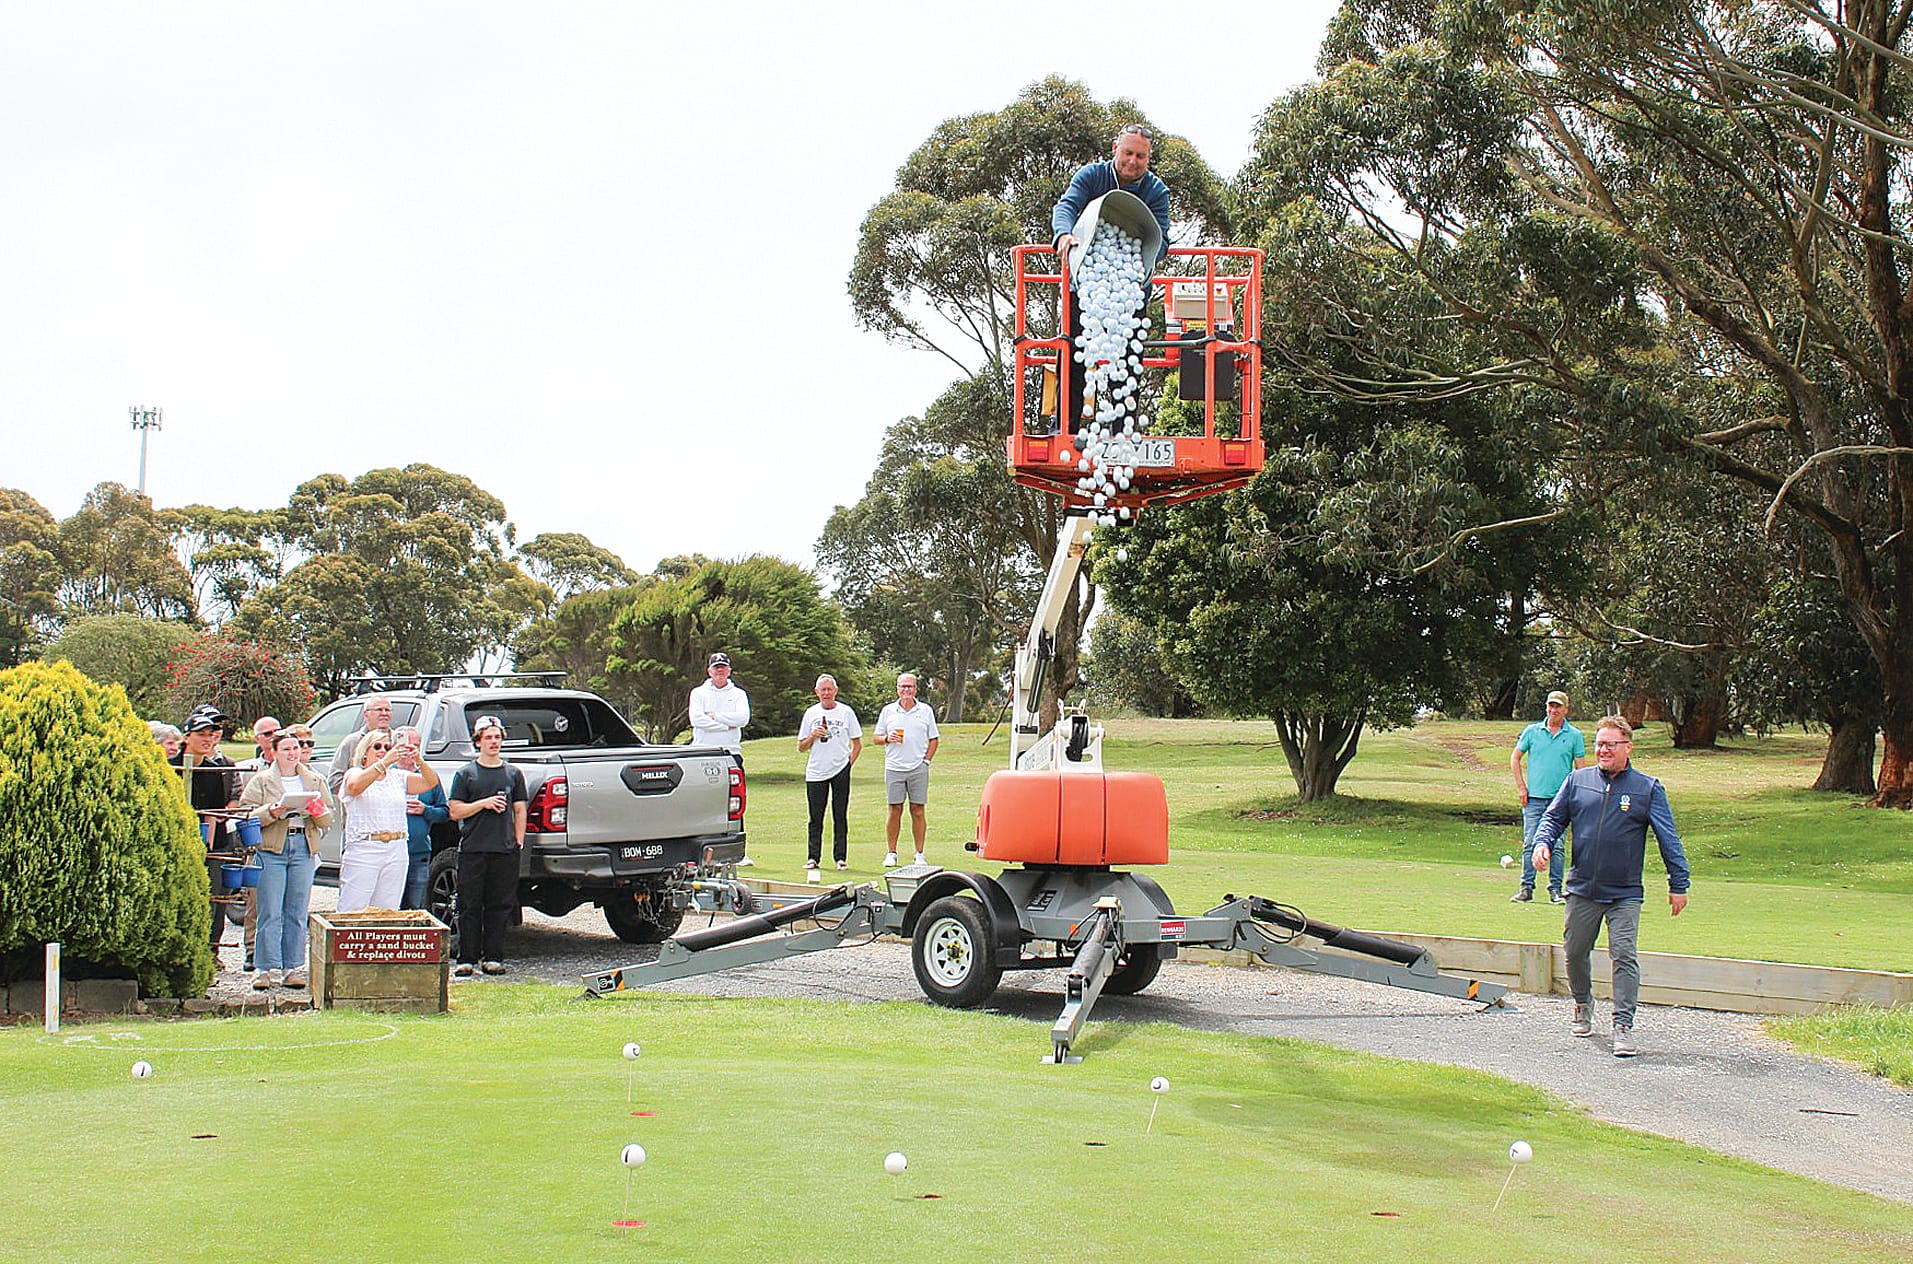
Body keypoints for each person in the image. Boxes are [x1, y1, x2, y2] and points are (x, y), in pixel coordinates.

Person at [1532, 715, 1691, 1058]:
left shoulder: (1647, 788)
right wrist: (1542, 842)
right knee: (1574, 953)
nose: (1602, 750)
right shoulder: (1577, 781)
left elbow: (1669, 839)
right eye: (1599, 744)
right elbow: (1553, 818)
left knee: (1624, 955)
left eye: (1610, 744)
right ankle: (1582, 1003)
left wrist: (1679, 883)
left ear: (1628, 748)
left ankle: (1623, 1025)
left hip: (1624, 893)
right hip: (1582, 889)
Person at [1050, 123, 1172, 430]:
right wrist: (1064, 235)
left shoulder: (1156, 191)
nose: (1133, 161)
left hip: (1129, 290)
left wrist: (1143, 262)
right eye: (1128, 153)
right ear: (1114, 149)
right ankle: (1065, 423)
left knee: (1128, 355)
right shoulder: (1092, 176)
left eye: (1141, 156)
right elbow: (1067, 206)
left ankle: (1122, 428)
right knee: (1074, 350)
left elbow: (1161, 239)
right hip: (1088, 284)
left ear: (1149, 157)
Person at [236, 730, 336, 989]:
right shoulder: (262, 781)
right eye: (286, 749)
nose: (292, 754)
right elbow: (245, 815)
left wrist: (316, 810)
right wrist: (272, 811)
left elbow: (328, 817)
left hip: (302, 844)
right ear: (274, 752)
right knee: (269, 910)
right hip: (272, 847)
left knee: (297, 910)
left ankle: (292, 967)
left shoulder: (314, 780)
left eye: (296, 748)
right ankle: (264, 968)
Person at [447, 714, 528, 977]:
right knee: (469, 905)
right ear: (478, 741)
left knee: (500, 905)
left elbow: (520, 809)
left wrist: (519, 840)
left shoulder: (513, 774)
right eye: (488, 737)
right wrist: (483, 803)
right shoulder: (466, 774)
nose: (493, 742)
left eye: (497, 737)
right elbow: (455, 810)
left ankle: (493, 956)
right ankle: (466, 958)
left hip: (504, 850)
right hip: (473, 849)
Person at [338, 726, 441, 912]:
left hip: (396, 847)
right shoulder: (354, 773)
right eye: (377, 747)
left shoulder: (399, 777)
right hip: (365, 847)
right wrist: (384, 762)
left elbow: (431, 782)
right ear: (364, 753)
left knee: (388, 909)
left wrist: (419, 760)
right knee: (353, 907)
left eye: (387, 747)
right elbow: (354, 787)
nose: (383, 751)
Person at [171, 704, 239, 954]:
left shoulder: (215, 770)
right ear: (187, 736)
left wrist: (206, 850)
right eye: (202, 734)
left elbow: (213, 813)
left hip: (209, 844)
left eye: (212, 734)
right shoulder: (170, 766)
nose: (208, 739)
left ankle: (208, 953)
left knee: (213, 898)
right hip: (177, 844)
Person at [1510, 690, 1586, 904]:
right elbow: (1515, 758)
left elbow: (1580, 770)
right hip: (1534, 798)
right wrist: (1521, 787)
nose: (1553, 710)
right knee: (1530, 843)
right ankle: (1526, 888)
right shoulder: (1532, 732)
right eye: (1551, 706)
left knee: (1558, 845)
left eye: (1558, 706)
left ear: (1565, 709)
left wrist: (1578, 797)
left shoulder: (1574, 736)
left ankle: (1555, 889)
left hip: (1561, 800)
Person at [688, 651, 754, 865]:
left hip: (730, 751)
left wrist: (715, 717)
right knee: (701, 800)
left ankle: (738, 853)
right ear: (709, 671)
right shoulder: (698, 693)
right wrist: (727, 723)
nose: (720, 671)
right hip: (703, 752)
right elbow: (697, 719)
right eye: (716, 668)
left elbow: (743, 718)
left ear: (729, 670)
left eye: (723, 667)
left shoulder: (738, 694)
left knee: (735, 802)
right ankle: (696, 850)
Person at [797, 674, 862, 879]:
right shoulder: (811, 714)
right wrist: (813, 736)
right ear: (817, 692)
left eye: (829, 689)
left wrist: (847, 764)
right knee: (816, 817)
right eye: (822, 690)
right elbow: (801, 747)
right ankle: (813, 857)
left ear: (835, 691)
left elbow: (857, 743)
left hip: (840, 769)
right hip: (816, 771)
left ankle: (840, 857)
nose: (826, 693)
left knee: (839, 814)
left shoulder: (846, 712)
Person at [874, 673, 939, 868]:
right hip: (894, 767)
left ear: (915, 689)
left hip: (918, 767)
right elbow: (876, 737)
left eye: (909, 687)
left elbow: (934, 739)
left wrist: (926, 761)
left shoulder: (925, 711)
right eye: (902, 687)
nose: (906, 690)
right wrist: (887, 738)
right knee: (895, 809)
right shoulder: (888, 711)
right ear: (897, 689)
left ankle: (919, 854)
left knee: (918, 810)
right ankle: (891, 853)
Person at [394, 724, 450, 910]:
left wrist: (426, 810)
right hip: (390, 853)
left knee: (415, 907)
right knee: (389, 907)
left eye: (416, 745)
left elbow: (445, 812)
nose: (412, 749)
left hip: (419, 853)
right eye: (407, 744)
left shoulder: (428, 777)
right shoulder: (386, 775)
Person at [328, 694, 395, 796]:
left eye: (387, 710)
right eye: (379, 710)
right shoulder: (352, 742)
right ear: (366, 714)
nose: (384, 713)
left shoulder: (397, 742)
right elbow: (334, 781)